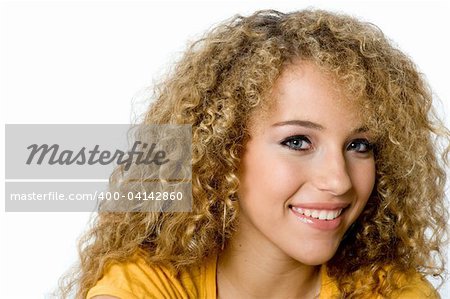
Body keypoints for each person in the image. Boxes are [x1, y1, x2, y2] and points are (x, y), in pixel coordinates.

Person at [59, 9, 449, 298]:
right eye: (297, 141)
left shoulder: (390, 291)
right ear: (220, 150)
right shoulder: (145, 285)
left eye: (359, 145)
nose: (339, 180)